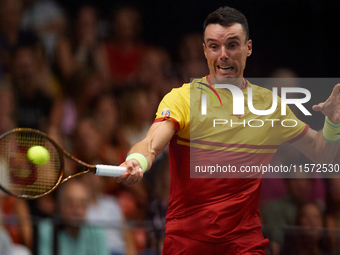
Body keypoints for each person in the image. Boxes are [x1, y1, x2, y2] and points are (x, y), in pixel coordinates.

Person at [116, 6, 340, 254]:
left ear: (249, 48)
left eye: (232, 45)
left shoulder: (270, 106)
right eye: (214, 46)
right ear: (205, 51)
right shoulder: (182, 98)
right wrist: (137, 160)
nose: (223, 54)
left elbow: (321, 153)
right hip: (187, 242)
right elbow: (151, 143)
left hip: (243, 243)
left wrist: (333, 123)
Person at [37, 179, 109, 255]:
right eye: (71, 204)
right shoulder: (47, 229)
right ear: (60, 205)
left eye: (82, 204)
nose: (77, 211)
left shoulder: (97, 232)